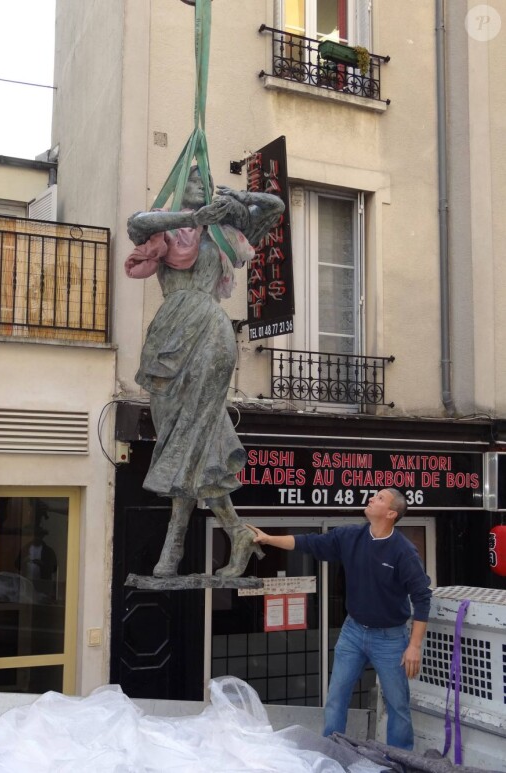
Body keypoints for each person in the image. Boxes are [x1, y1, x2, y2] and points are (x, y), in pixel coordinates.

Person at [125, 166, 284, 578]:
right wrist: (193, 218)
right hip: (168, 332)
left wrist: (240, 198)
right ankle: (236, 532)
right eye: (196, 180)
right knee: (179, 438)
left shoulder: (225, 231)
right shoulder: (166, 229)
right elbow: (136, 223)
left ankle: (172, 548)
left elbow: (275, 207)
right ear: (180, 187)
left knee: (191, 436)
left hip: (211, 332)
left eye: (208, 182)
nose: (203, 186)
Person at [248, 488, 432, 750]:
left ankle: (400, 761)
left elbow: (422, 597)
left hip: (390, 638)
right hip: (353, 631)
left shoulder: (404, 552)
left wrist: (414, 645)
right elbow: (308, 542)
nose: (371, 498)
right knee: (336, 697)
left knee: (397, 705)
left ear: (391, 513)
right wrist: (267, 539)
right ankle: (331, 753)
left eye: (379, 498)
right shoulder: (350, 536)